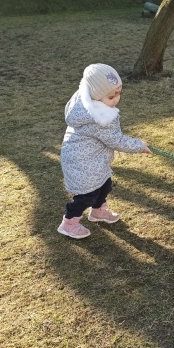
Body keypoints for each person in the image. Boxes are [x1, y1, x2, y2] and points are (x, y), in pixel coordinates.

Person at [58, 63, 152, 239]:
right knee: (87, 195)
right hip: (82, 162)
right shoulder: (98, 118)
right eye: (111, 96)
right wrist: (140, 146)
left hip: (92, 158)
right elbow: (116, 140)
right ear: (96, 95)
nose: (116, 99)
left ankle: (98, 212)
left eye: (119, 93)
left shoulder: (89, 100)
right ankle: (69, 223)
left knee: (105, 184)